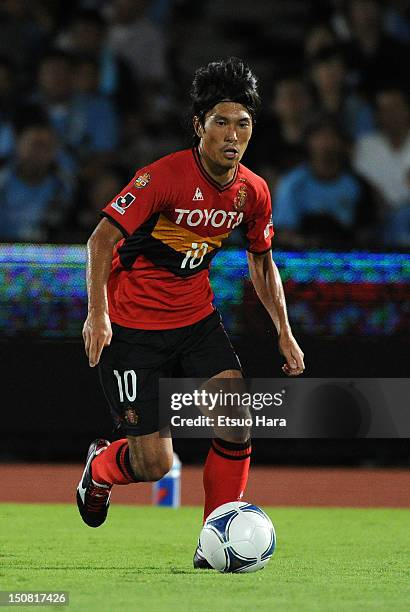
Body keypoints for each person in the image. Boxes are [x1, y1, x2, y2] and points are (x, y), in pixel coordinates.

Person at [76, 57, 305, 568]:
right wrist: (99, 314)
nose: (232, 134)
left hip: (195, 320)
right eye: (220, 121)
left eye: (242, 123)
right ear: (199, 125)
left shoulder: (254, 191)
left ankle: (213, 542)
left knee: (237, 418)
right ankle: (101, 469)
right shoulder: (161, 177)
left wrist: (284, 333)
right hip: (132, 329)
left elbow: (261, 263)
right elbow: (100, 240)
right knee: (152, 463)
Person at [273, 115, 378, 248]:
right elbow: (283, 233)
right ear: (308, 142)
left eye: (331, 136)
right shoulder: (292, 184)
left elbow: (365, 235)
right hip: (302, 258)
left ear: (342, 143)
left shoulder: (357, 185)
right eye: (318, 136)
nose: (325, 142)